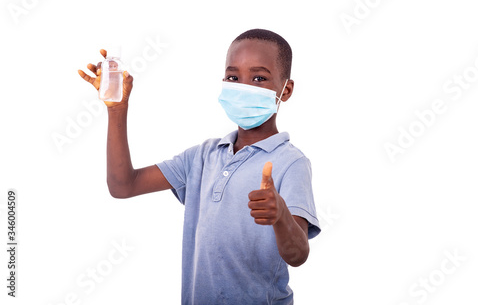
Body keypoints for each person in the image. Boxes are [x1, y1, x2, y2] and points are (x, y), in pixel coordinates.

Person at [77, 28, 321, 304]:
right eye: (233, 77)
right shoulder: (202, 156)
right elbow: (123, 185)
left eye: (259, 78)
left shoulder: (291, 163)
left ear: (285, 89)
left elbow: (298, 255)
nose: (243, 86)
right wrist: (117, 110)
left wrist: (281, 216)